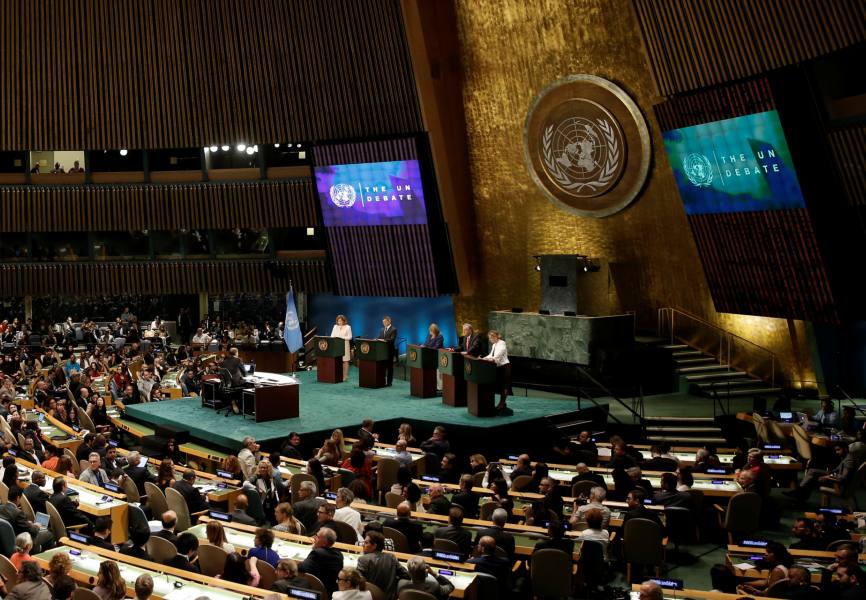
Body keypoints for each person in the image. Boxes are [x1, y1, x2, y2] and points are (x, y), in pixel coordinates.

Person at [1, 485, 55, 553]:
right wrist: (36, 526)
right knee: (49, 534)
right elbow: (32, 531)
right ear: (18, 498)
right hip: (21, 542)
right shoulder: (18, 513)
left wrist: (27, 523)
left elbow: (16, 523)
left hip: (5, 542)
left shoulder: (1, 508)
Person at [357, 530, 408, 599]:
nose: (363, 545)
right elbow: (406, 575)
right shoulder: (391, 557)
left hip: (372, 597)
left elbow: (358, 581)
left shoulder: (363, 559)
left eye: (366, 543)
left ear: (374, 546)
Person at [299, 528, 344, 597]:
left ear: (324, 543)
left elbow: (301, 568)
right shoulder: (339, 555)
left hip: (314, 591)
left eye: (317, 537)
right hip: (331, 593)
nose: (314, 538)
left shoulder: (317, 553)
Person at [483, 329, 512, 415]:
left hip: (504, 367)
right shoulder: (494, 345)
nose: (489, 340)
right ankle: (500, 404)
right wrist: (483, 358)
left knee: (504, 386)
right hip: (498, 368)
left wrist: (491, 358)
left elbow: (498, 355)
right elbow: (491, 355)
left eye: (490, 338)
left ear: (494, 337)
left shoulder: (502, 343)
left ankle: (502, 404)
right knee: (499, 386)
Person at [331, 314, 353, 382]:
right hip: (337, 346)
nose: (339, 322)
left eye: (340, 321)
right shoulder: (335, 326)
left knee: (345, 361)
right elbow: (332, 336)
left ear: (344, 321)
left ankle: (345, 376)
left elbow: (350, 337)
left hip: (345, 346)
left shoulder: (348, 327)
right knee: (338, 361)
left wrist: (341, 338)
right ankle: (338, 376)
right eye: (338, 321)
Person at [377, 316, 397, 386]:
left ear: (389, 321)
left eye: (385, 322)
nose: (384, 323)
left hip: (389, 351)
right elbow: (379, 338)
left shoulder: (393, 329)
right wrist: (376, 339)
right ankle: (382, 381)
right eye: (383, 322)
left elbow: (392, 339)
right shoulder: (382, 329)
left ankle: (389, 382)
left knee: (389, 368)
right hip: (382, 352)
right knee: (383, 367)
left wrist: (384, 340)